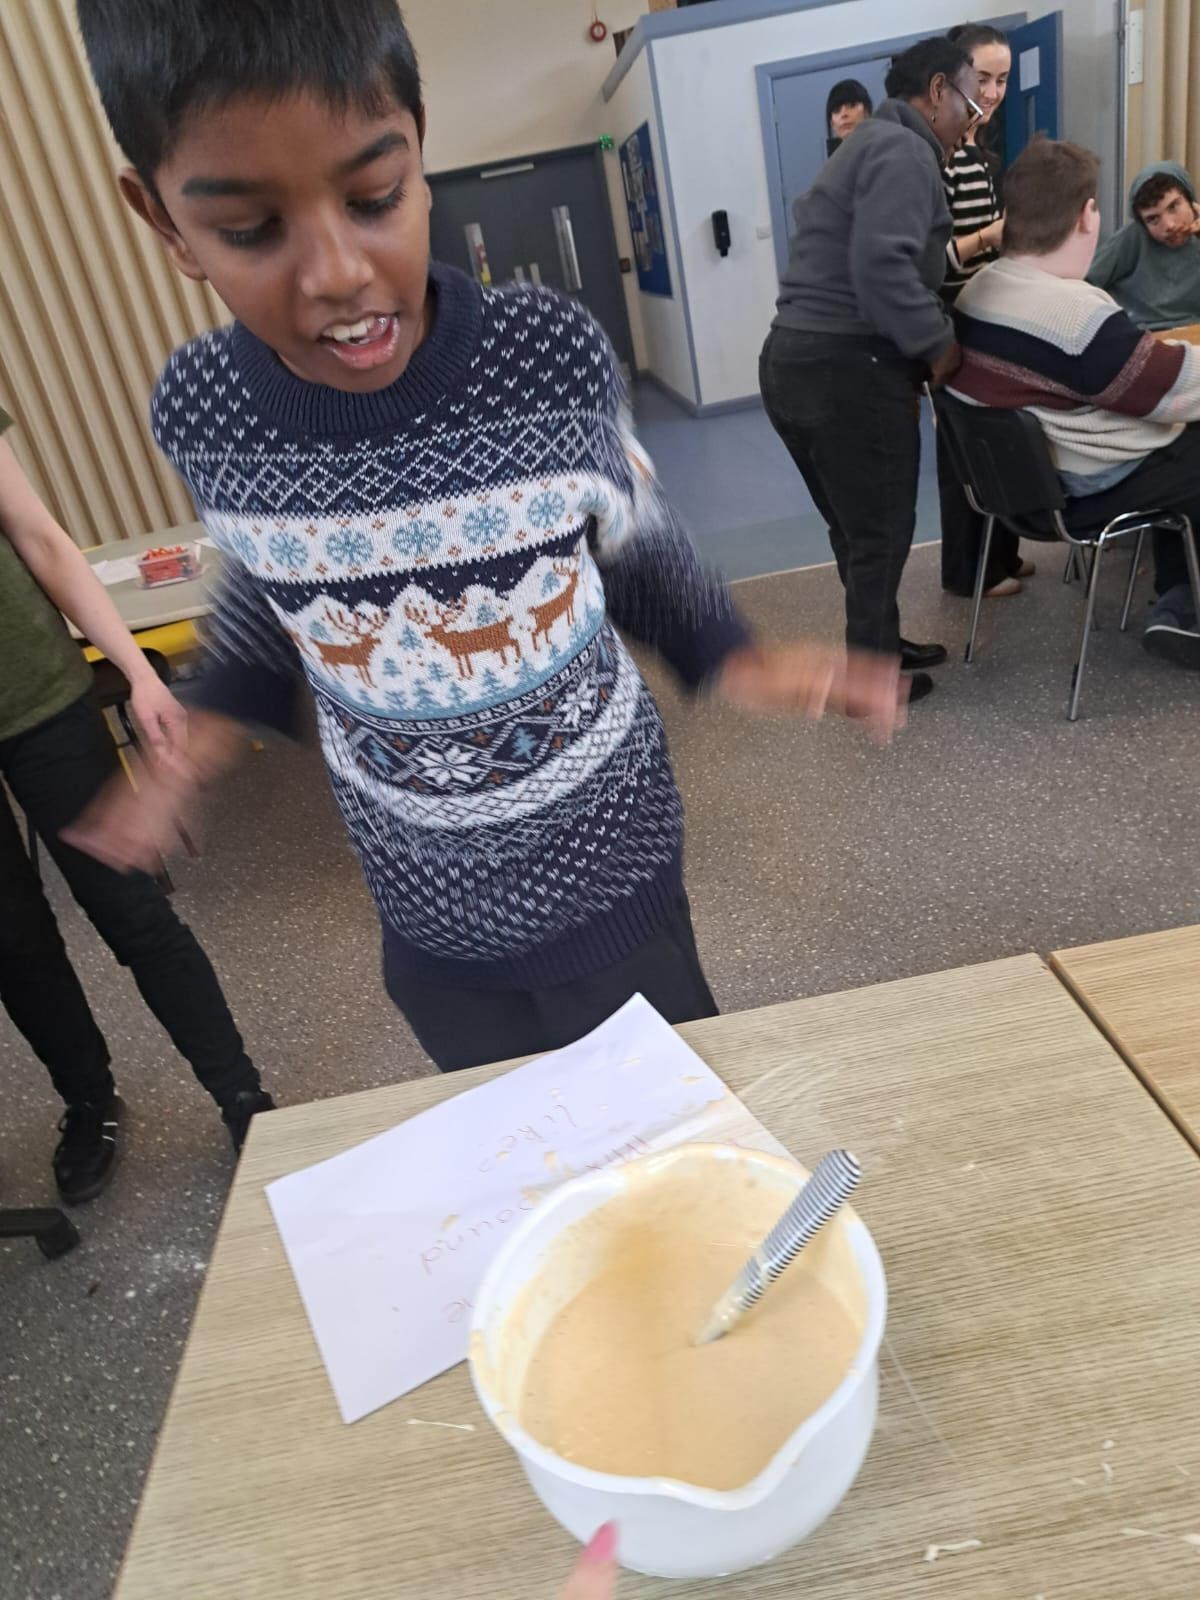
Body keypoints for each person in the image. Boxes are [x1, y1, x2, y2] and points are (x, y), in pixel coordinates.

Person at [70, 0, 906, 1077]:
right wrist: (210, 724)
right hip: (423, 902)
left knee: (664, 1116)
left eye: (374, 198)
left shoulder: (547, 355)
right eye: (251, 229)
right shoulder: (202, 409)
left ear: (419, 149)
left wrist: (729, 650)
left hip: (607, 866)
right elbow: (271, 580)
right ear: (163, 220)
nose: (337, 271)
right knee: (514, 1128)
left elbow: (630, 532)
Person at [0, 411, 272, 1205]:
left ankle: (240, 1093)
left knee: (132, 911)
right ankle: (89, 1103)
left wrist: (141, 674)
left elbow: (40, 538)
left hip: (40, 696)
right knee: (13, 943)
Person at [761, 37, 983, 704]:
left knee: (855, 528)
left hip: (791, 362)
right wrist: (941, 346)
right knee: (879, 531)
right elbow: (882, 267)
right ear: (938, 91)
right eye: (972, 101)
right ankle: (870, 681)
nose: (974, 120)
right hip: (847, 369)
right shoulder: (905, 150)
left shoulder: (866, 145)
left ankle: (877, 647)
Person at [950, 137, 1200, 669]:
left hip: (1014, 493)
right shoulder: (1076, 316)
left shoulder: (975, 293)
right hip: (1081, 491)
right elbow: (1175, 389)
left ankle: (1179, 597)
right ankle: (1186, 607)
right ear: (1088, 216)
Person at [938, 22, 1032, 599]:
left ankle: (1001, 554)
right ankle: (967, 571)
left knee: (997, 439)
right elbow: (930, 259)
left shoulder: (980, 152)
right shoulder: (940, 156)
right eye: (983, 78)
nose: (993, 92)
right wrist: (991, 236)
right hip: (952, 323)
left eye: (1003, 79)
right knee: (962, 451)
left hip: (986, 318)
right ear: (953, 77)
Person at [1087, 161, 1200, 332]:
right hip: (1143, 334)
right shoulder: (1133, 238)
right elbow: (1083, 285)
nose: (1169, 225)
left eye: (1173, 207)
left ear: (1191, 201)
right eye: (1153, 219)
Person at [826, 78, 873, 154]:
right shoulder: (835, 161)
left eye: (852, 105)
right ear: (832, 124)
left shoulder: (886, 149)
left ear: (866, 112)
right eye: (837, 110)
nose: (844, 114)